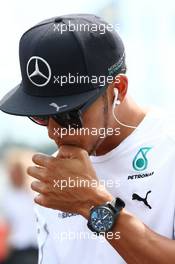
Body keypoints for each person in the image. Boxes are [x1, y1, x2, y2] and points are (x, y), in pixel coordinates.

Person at [0, 14, 175, 264]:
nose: (53, 131)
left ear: (119, 89)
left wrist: (94, 204)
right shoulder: (53, 176)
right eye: (40, 116)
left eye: (68, 114)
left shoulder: (169, 147)